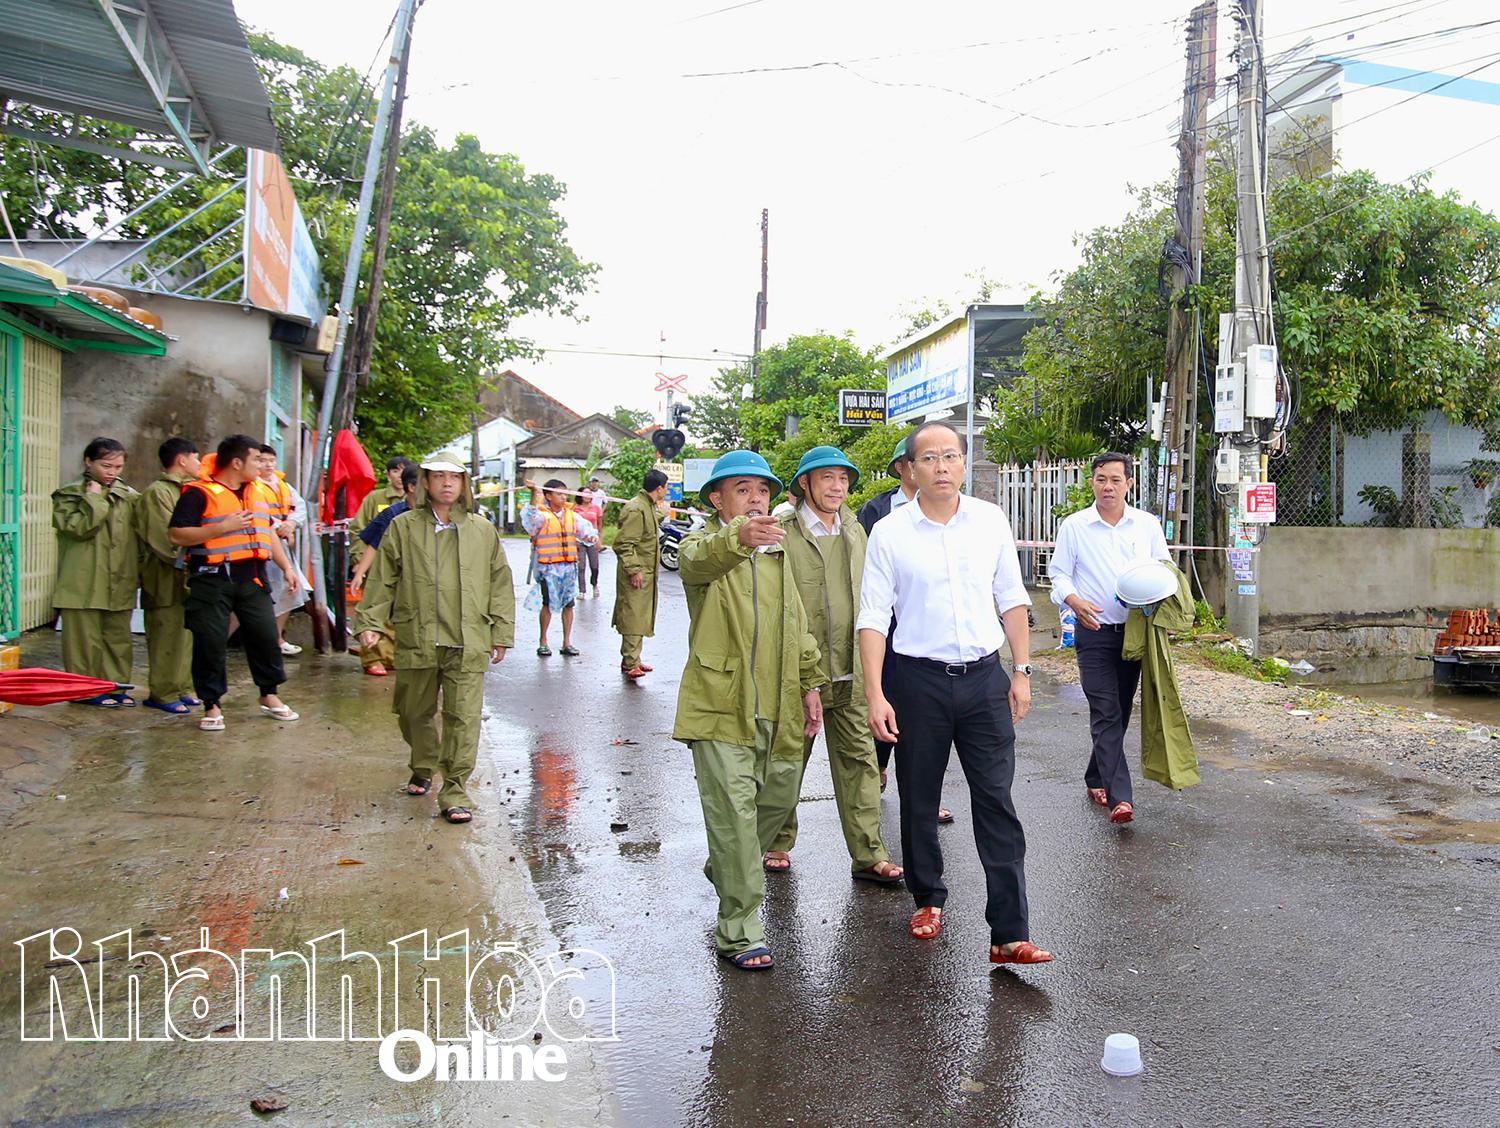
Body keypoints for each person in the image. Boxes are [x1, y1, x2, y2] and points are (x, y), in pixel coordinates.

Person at [858, 421, 1053, 967]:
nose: (941, 467)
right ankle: (928, 897)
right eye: (929, 458)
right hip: (916, 681)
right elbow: (873, 617)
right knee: (919, 798)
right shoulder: (890, 533)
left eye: (951, 456)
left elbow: (1011, 597)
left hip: (984, 681)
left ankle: (1009, 933)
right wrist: (876, 693)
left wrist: (1023, 671)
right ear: (911, 469)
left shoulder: (989, 521)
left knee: (996, 800)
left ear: (964, 464)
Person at [672, 450, 824, 971]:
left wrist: (809, 684)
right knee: (734, 814)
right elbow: (699, 561)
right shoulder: (702, 544)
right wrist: (737, 539)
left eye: (762, 490)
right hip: (720, 702)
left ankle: (727, 865)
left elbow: (798, 623)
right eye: (742, 489)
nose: (756, 499)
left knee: (778, 797)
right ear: (717, 498)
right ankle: (739, 929)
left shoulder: (780, 555)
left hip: (778, 699)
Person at [767, 446, 903, 885]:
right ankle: (776, 840)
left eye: (843, 479)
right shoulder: (782, 530)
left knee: (860, 761)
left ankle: (869, 855)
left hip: (851, 666)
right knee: (788, 760)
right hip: (796, 670)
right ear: (804, 484)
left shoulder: (854, 528)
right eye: (827, 478)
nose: (837, 487)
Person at [355, 452, 513, 824]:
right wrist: (370, 621)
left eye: (454, 478)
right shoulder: (403, 527)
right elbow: (383, 578)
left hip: (468, 636)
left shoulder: (481, 529)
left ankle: (455, 790)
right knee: (412, 711)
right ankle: (424, 762)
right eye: (438, 477)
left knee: (464, 716)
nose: (446, 483)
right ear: (424, 483)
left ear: (463, 486)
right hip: (418, 634)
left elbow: (500, 583)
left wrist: (501, 631)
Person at [1049, 452, 1171, 825]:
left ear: (1129, 484)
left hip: (1134, 634)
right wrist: (1074, 602)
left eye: (1115, 480)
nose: (1107, 486)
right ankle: (1121, 798)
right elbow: (1059, 575)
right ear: (1092, 483)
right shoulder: (1076, 526)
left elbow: (1164, 570)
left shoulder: (1146, 525)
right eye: (1101, 479)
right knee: (1105, 711)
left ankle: (1095, 776)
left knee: (1117, 710)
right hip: (1094, 633)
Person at [168, 434, 301, 732]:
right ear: (237, 462)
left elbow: (266, 533)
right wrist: (222, 527)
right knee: (211, 643)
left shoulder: (258, 492)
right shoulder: (198, 493)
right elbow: (176, 535)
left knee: (266, 637)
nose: (262, 465)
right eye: (256, 459)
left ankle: (269, 695)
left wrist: (287, 568)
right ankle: (212, 703)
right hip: (212, 579)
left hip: (252, 576)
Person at [856, 437, 956, 826]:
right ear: (903, 467)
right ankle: (877, 771)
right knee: (885, 699)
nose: (928, 468)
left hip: (926, 630)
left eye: (941, 459)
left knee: (929, 718)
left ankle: (927, 796)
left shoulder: (954, 512)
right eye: (919, 461)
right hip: (885, 626)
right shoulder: (878, 511)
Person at [51, 437, 139, 705]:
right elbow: (78, 528)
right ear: (88, 462)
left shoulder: (130, 496)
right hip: (82, 580)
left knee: (117, 639)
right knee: (83, 642)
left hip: (119, 578)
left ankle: (116, 687)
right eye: (106, 465)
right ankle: (83, 691)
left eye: (118, 467)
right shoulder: (70, 494)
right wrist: (94, 499)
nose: (112, 472)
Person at [135, 436, 201, 715]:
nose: (199, 464)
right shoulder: (158, 493)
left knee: (185, 634)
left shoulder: (191, 490)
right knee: (165, 634)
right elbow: (164, 538)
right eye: (196, 458)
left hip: (186, 576)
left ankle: (183, 686)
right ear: (182, 460)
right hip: (164, 576)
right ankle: (162, 693)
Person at [521, 479, 596, 657]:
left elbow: (585, 529)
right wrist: (534, 493)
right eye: (559, 494)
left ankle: (566, 642)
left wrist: (591, 537)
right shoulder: (541, 515)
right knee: (547, 604)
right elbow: (530, 521)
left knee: (569, 604)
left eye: (565, 493)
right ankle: (543, 641)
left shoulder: (571, 515)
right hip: (549, 569)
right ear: (548, 496)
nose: (563, 497)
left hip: (569, 567)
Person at [612, 468, 668, 679]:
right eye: (666, 487)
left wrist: (663, 512)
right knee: (633, 616)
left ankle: (634, 658)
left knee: (640, 615)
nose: (666, 491)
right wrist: (634, 569)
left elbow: (650, 525)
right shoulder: (637, 508)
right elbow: (624, 543)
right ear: (659, 488)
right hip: (636, 572)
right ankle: (629, 662)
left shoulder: (647, 507)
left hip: (646, 571)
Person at [256, 443, 308, 657]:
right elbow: (260, 515)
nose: (268, 465)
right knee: (256, 594)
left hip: (283, 545)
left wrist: (292, 525)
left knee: (289, 588)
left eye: (271, 461)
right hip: (261, 545)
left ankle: (276, 638)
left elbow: (300, 507)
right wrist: (280, 527)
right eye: (263, 461)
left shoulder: (283, 485)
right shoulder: (252, 486)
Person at [348, 463, 418, 597]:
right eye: (395, 471)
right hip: (389, 572)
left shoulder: (435, 513)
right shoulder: (391, 511)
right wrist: (360, 568)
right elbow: (373, 542)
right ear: (411, 487)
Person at [350, 456, 414, 567]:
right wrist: (359, 559)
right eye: (395, 471)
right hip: (375, 560)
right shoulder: (374, 498)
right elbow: (358, 529)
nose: (400, 476)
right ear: (388, 475)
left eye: (404, 471)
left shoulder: (416, 499)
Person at [573, 487, 605, 598]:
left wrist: (600, 539)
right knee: (581, 566)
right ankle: (582, 590)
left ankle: (594, 584)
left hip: (593, 539)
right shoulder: (575, 509)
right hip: (579, 540)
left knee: (594, 565)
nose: (588, 495)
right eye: (586, 493)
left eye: (590, 493)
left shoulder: (596, 508)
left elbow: (600, 525)